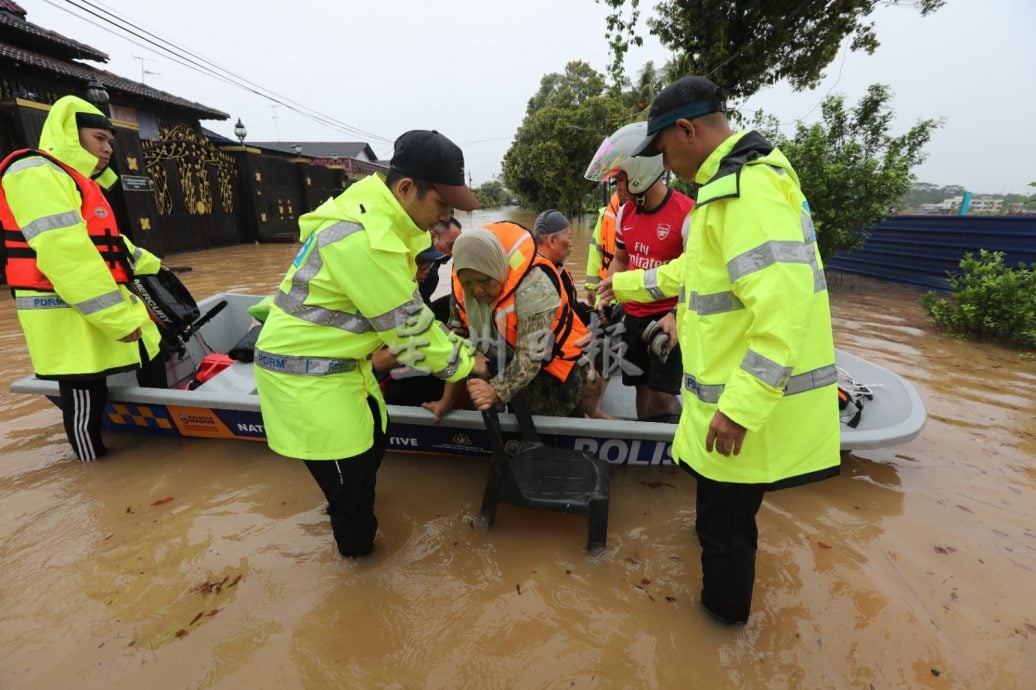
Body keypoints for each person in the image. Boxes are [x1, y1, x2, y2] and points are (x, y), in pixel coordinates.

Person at [596, 76, 840, 624]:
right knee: (716, 520)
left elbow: (783, 312)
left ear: (687, 129)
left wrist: (740, 409)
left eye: (662, 149)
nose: (663, 162)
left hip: (738, 411)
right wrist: (627, 285)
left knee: (726, 535)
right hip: (719, 402)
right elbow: (698, 273)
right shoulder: (722, 190)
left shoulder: (747, 191)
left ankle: (720, 634)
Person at [254, 129, 487, 558]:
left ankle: (350, 506)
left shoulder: (383, 224)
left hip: (340, 368)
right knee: (352, 485)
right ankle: (358, 562)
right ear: (405, 188)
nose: (444, 216)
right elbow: (410, 330)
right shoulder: (364, 239)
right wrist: (470, 363)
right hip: (306, 379)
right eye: (441, 204)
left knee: (376, 437)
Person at [0, 95, 166, 461]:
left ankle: (167, 449)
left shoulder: (79, 182)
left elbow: (112, 245)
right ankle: (96, 476)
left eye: (110, 141)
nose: (108, 148)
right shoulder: (36, 172)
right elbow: (66, 254)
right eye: (99, 138)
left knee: (156, 351)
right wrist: (117, 318)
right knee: (85, 399)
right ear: (71, 136)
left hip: (99, 305)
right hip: (63, 316)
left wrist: (155, 265)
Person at [586, 121, 694, 421]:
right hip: (632, 314)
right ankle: (642, 436)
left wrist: (675, 314)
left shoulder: (687, 214)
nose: (616, 187)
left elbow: (695, 276)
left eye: (620, 179)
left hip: (667, 317)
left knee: (661, 395)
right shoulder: (625, 213)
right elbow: (621, 258)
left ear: (639, 173)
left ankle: (661, 442)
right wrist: (607, 291)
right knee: (639, 383)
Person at [450, 222, 604, 418]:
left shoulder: (535, 288)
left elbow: (530, 357)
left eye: (485, 280)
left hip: (553, 374)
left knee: (555, 418)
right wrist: (470, 361)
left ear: (498, 268)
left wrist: (495, 391)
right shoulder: (461, 286)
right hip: (504, 362)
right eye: (469, 283)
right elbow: (456, 334)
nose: (477, 290)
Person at [531, 209, 593, 325]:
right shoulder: (541, 279)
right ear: (552, 240)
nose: (571, 243)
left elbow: (572, 307)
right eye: (569, 237)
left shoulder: (555, 270)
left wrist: (599, 314)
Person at [583, 189, 623, 303]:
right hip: (604, 295)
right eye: (618, 181)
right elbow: (595, 251)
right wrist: (591, 287)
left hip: (631, 297)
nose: (620, 187)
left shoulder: (645, 215)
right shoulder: (605, 215)